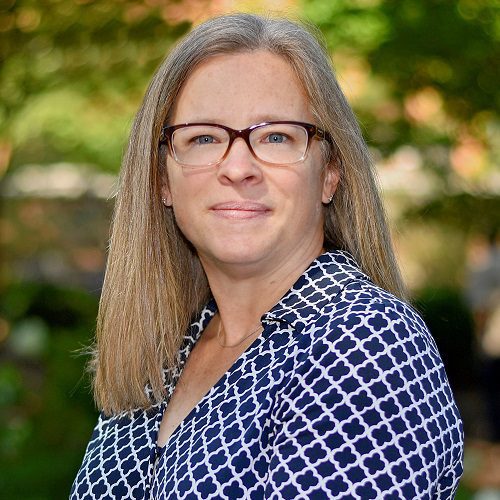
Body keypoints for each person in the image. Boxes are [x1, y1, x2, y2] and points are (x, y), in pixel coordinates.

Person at [71, 13, 463, 499]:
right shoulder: (163, 354)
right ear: (161, 179)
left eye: (276, 136)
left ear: (330, 172)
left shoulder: (366, 344)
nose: (238, 168)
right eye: (204, 138)